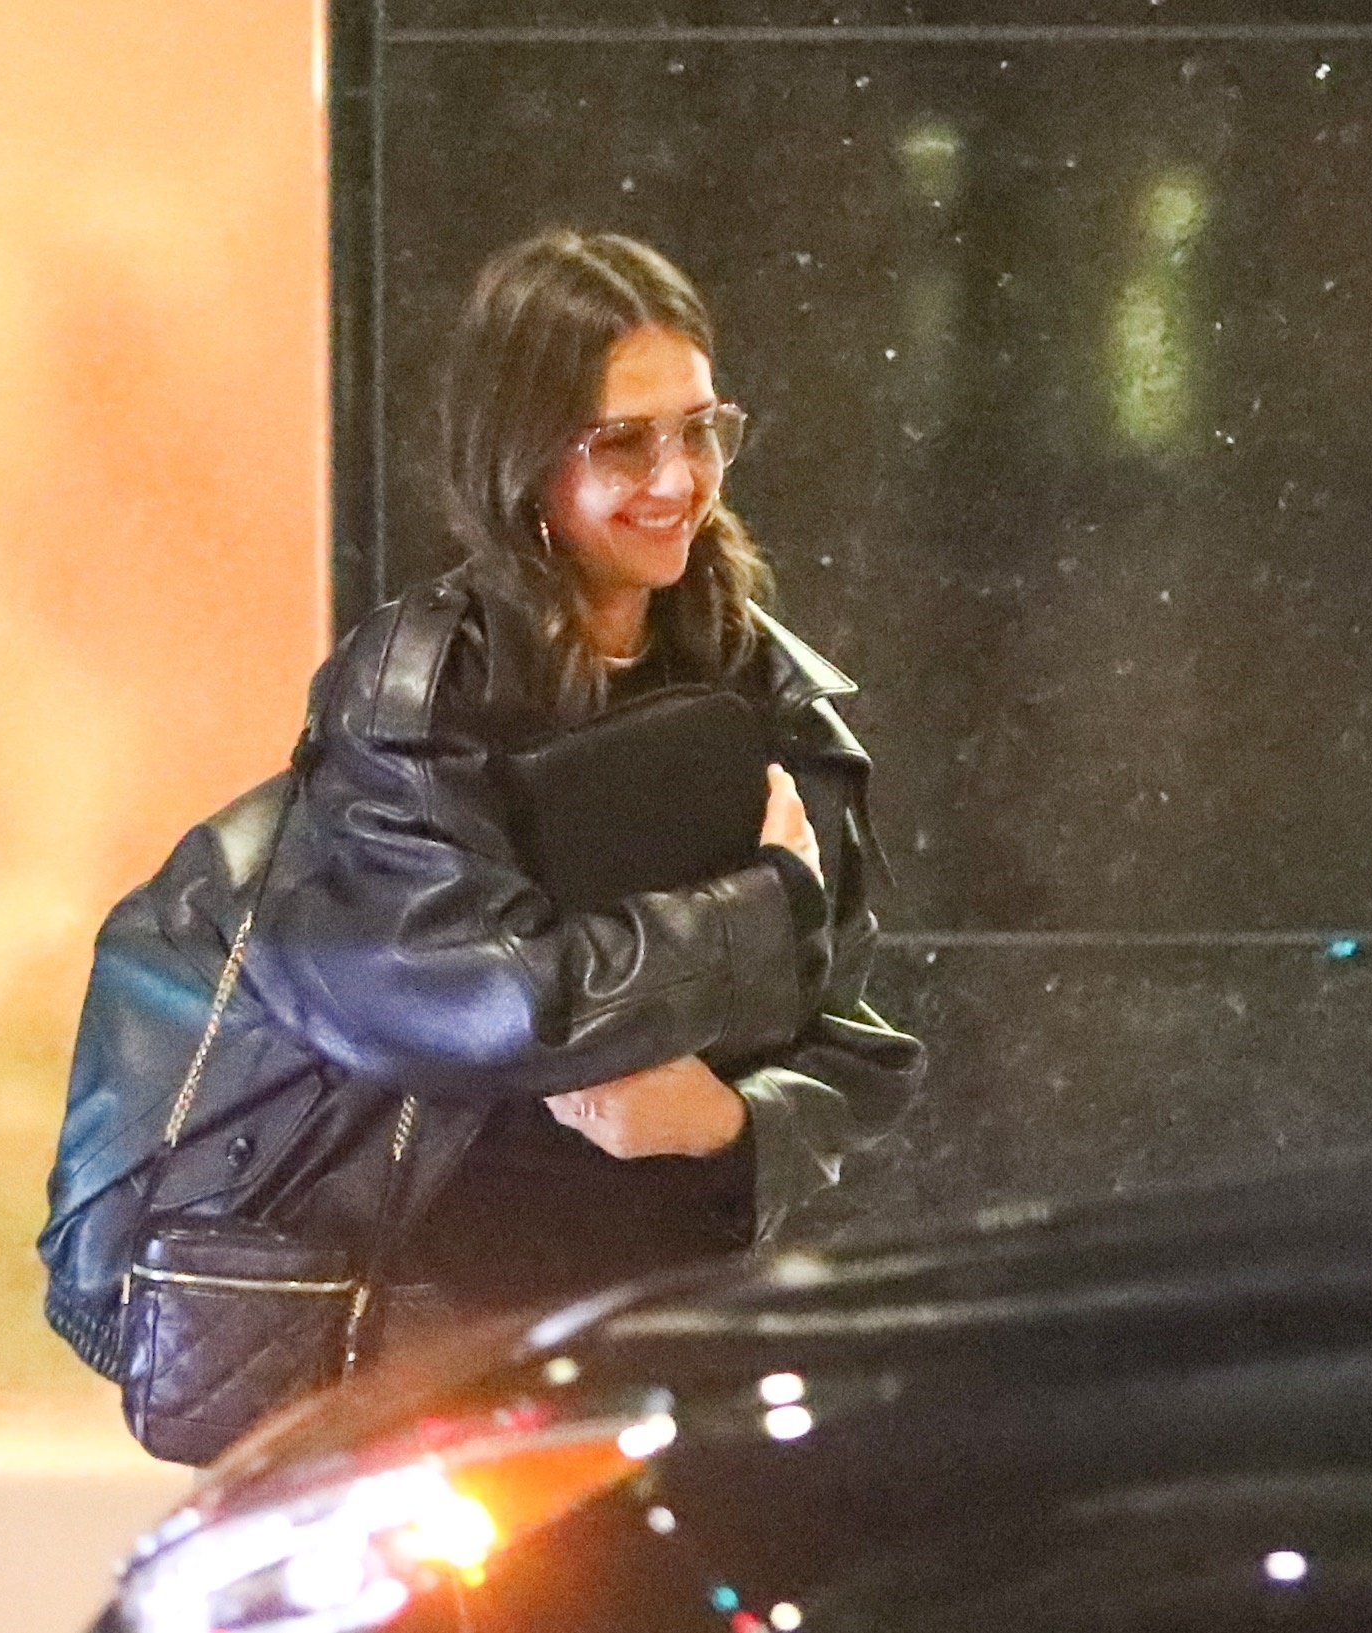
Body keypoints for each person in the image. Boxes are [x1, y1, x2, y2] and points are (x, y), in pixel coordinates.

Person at [244, 228, 925, 1325]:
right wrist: (758, 905)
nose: (676, 480)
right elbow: (492, 1005)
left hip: (689, 1307)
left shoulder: (760, 681)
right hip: (441, 1321)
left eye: (699, 431)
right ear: (518, 457)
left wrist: (730, 1131)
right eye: (621, 442)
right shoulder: (414, 689)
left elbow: (858, 1046)